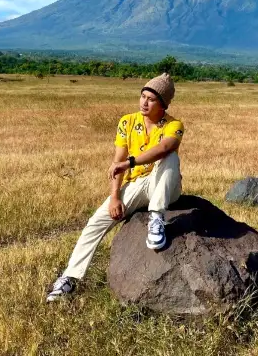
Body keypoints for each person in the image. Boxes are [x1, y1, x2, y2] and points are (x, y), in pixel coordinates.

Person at [46, 73, 184, 302]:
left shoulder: (174, 125)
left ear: (163, 104)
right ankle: (69, 278)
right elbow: (117, 163)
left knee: (170, 159)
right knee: (96, 222)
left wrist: (130, 162)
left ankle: (156, 219)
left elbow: (165, 148)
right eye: (142, 96)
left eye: (151, 99)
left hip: (165, 184)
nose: (144, 102)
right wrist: (114, 198)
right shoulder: (127, 122)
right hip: (136, 184)